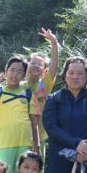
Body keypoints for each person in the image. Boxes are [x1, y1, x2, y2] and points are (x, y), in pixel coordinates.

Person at [24, 28, 62, 158]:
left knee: (35, 171)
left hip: (38, 137)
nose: (35, 66)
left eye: (40, 65)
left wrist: (54, 42)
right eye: (33, 63)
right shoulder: (17, 86)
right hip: (18, 136)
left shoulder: (43, 86)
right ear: (26, 66)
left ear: (44, 71)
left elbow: (54, 66)